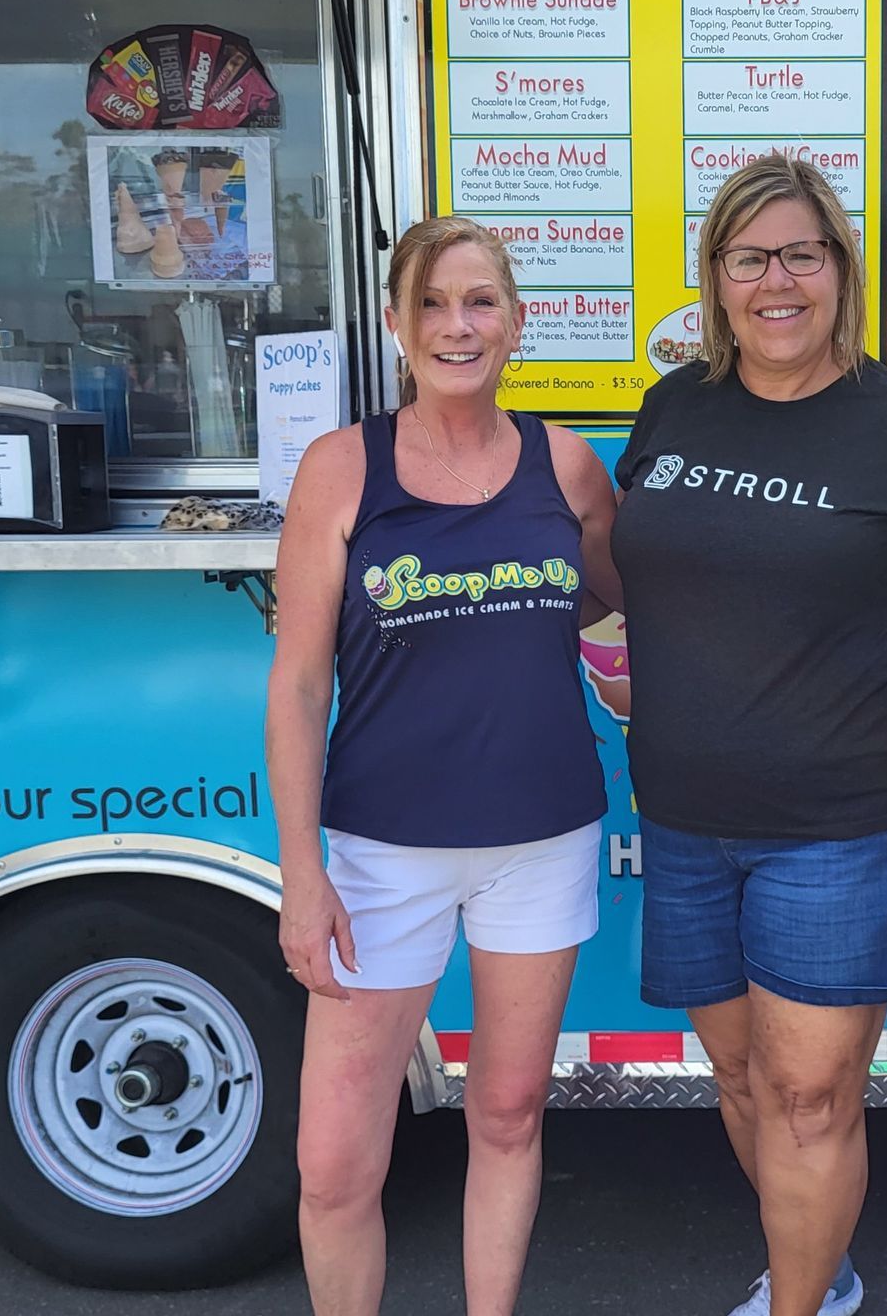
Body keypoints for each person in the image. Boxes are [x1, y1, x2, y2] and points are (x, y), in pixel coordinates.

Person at [612, 154, 887, 1316]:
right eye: (749, 258)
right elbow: (640, 571)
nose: (774, 281)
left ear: (840, 269)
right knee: (739, 1078)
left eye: (801, 254)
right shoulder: (674, 406)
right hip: (684, 811)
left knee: (809, 1096)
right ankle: (819, 1274)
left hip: (842, 817)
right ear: (717, 278)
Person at [266, 216, 621, 1316]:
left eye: (479, 302)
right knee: (334, 1166)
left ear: (517, 322)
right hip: (382, 856)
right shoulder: (342, 468)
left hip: (541, 841)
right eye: (431, 302)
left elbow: (612, 599)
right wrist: (301, 872)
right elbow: (298, 685)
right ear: (395, 322)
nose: (456, 326)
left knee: (509, 1116)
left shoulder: (564, 460)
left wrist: (611, 660)